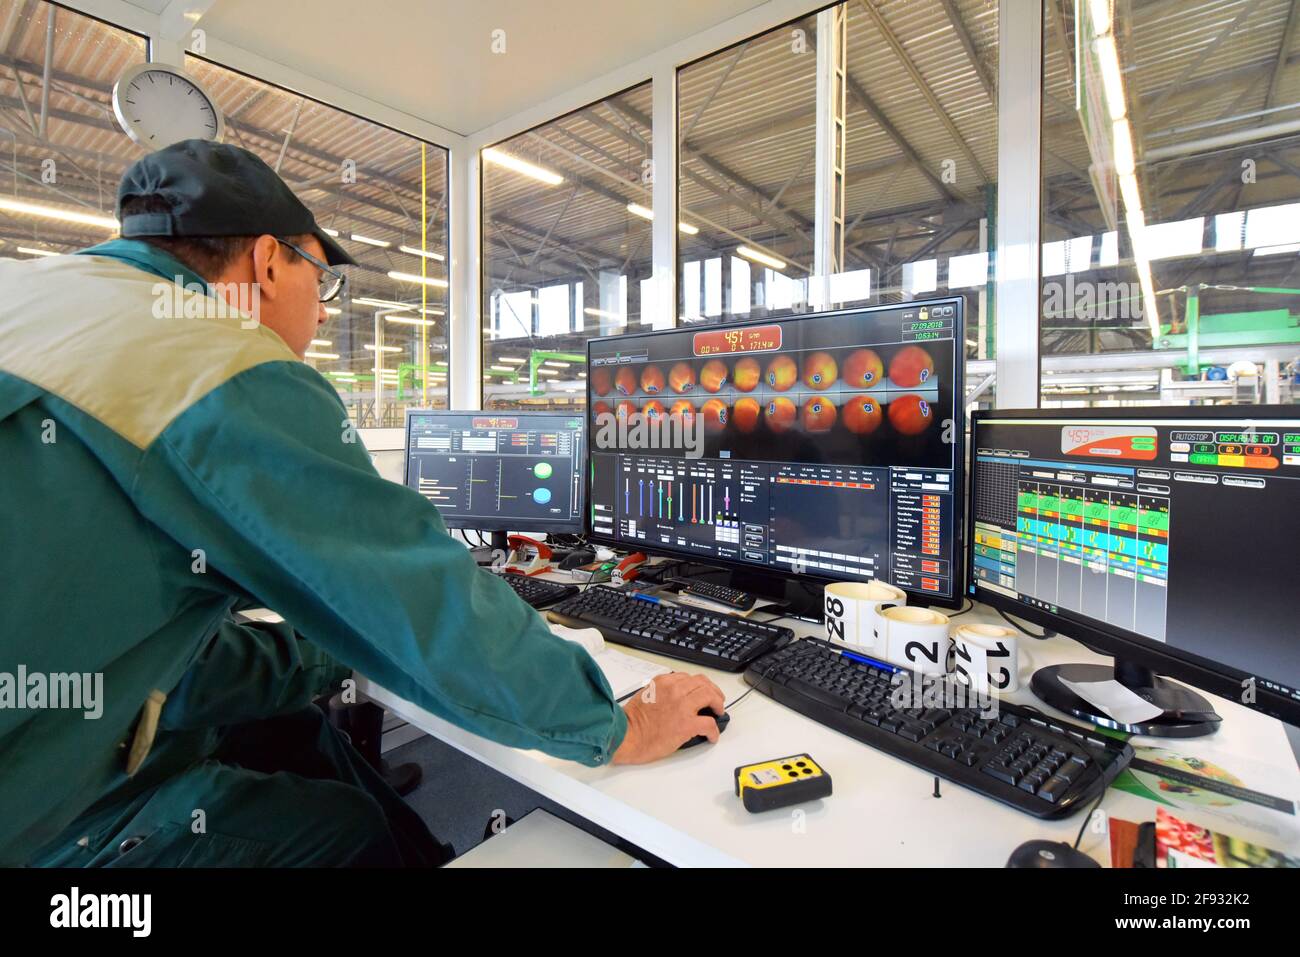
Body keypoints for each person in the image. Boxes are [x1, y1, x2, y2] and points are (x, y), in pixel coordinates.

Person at [0, 140, 725, 867]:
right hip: (44, 823)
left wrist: (326, 645)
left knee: (291, 727)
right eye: (321, 279)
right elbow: (422, 597)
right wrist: (619, 725)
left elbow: (167, 653)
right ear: (267, 261)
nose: (322, 315)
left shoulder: (40, 298)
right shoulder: (211, 359)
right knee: (346, 832)